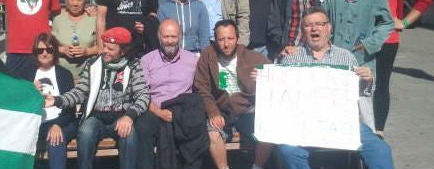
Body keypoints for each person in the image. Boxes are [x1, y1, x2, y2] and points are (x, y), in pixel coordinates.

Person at [276, 7, 394, 169]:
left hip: (343, 122)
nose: (314, 29)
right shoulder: (291, 59)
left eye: (320, 24)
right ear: (302, 31)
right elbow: (279, 93)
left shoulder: (346, 57)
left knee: (380, 149)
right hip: (303, 123)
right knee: (288, 151)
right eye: (308, 25)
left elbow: (358, 95)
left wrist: (367, 81)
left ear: (329, 28)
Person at [44, 27, 150, 169]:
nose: (105, 50)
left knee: (129, 134)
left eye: (110, 48)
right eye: (104, 46)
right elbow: (79, 91)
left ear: (123, 51)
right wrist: (57, 100)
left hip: (121, 117)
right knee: (85, 132)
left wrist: (129, 116)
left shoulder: (134, 65)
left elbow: (143, 95)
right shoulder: (93, 64)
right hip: (96, 117)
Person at [364, 0, 433, 137]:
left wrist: (403, 22)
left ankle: (378, 130)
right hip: (362, 40)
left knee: (381, 84)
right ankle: (360, 125)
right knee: (361, 82)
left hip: (387, 40)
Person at [193, 20, 273, 169]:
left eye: (230, 38)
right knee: (213, 135)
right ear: (215, 40)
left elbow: (276, 74)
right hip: (221, 110)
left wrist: (263, 77)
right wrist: (212, 112)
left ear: (237, 38)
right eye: (221, 39)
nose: (226, 44)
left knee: (269, 129)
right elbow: (201, 88)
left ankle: (257, 166)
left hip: (247, 110)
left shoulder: (252, 57)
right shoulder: (208, 55)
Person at [137, 19, 206, 169]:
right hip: (155, 110)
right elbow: (141, 93)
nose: (169, 41)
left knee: (196, 128)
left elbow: (202, 88)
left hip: (182, 113)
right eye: (166, 36)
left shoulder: (192, 60)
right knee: (142, 127)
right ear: (158, 36)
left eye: (173, 36)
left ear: (180, 36)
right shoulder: (147, 60)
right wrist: (159, 112)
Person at [31, 33, 77, 169]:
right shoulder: (27, 74)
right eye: (40, 50)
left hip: (62, 121)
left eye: (49, 50)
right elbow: (18, 103)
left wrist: (57, 124)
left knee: (55, 139)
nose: (44, 53)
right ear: (35, 52)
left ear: (55, 52)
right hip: (36, 123)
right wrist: (29, 90)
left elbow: (71, 109)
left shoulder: (64, 74)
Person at [52, 0, 99, 77]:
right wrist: (63, 50)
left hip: (87, 74)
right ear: (66, 0)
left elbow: (102, 47)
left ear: (85, 1)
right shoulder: (58, 19)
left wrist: (87, 51)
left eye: (79, 0)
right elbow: (50, 45)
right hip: (61, 73)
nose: (75, 3)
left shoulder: (93, 19)